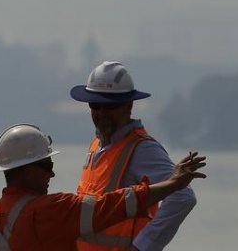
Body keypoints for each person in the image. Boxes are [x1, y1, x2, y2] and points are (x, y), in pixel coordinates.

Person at [0, 123, 206, 251]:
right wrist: (173, 183)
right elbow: (112, 205)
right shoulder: (51, 210)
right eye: (47, 164)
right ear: (26, 170)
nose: (52, 173)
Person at [70, 61, 198, 251]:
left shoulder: (141, 149)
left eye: (110, 105)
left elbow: (183, 196)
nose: (102, 113)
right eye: (96, 105)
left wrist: (143, 246)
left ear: (128, 105)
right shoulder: (97, 145)